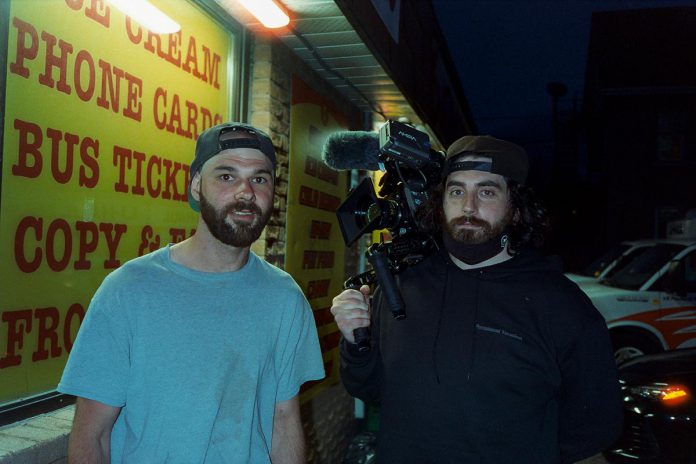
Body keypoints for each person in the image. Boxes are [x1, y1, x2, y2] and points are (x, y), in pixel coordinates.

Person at [331, 135, 623, 463]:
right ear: (440, 202)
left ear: (516, 207)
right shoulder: (401, 284)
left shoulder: (562, 305)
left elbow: (592, 430)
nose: (468, 206)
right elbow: (370, 389)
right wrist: (355, 340)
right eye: (457, 191)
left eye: (486, 191)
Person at [59, 122, 325, 463]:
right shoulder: (129, 290)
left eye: (260, 178)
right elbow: (91, 436)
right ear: (196, 185)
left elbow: (284, 421)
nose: (245, 193)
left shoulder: (286, 298)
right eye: (227, 176)